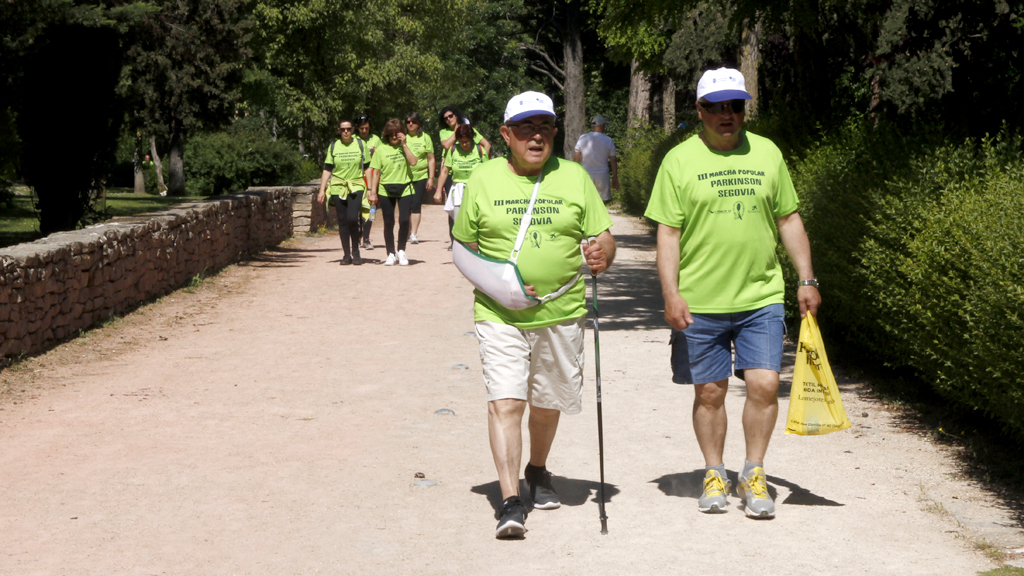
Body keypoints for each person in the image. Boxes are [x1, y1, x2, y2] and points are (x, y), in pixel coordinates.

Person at [644, 67, 821, 519]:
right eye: (718, 107)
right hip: (700, 300)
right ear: (700, 110)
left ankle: (755, 473)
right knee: (709, 393)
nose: (728, 115)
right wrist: (671, 293)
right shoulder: (679, 161)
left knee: (764, 385)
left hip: (759, 296)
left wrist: (806, 278)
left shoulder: (767, 153)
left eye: (736, 106)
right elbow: (668, 233)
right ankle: (714, 472)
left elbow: (789, 219)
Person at [453, 91, 616, 539]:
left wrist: (603, 254)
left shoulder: (575, 178)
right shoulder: (483, 180)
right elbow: (462, 247)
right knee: (507, 402)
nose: (536, 135)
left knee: (547, 406)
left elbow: (603, 236)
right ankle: (510, 501)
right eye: (525, 127)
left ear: (554, 132)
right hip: (498, 313)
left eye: (544, 125)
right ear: (506, 135)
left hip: (561, 312)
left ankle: (538, 470)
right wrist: (499, 286)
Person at [317, 118, 368, 265]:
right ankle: (347, 254)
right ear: (339, 131)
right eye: (342, 129)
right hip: (338, 186)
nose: (346, 131)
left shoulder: (360, 144)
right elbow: (327, 169)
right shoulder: (333, 147)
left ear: (353, 130)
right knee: (343, 221)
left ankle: (356, 251)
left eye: (349, 129)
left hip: (356, 185)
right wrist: (322, 190)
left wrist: (370, 189)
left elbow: (369, 167)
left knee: (353, 218)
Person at [367, 118, 418, 266]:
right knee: (388, 222)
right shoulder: (381, 149)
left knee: (403, 220)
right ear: (386, 135)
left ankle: (401, 250)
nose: (394, 137)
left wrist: (404, 144)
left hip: (405, 188)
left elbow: (413, 162)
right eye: (391, 134)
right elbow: (375, 172)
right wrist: (373, 192)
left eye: (397, 133)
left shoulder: (406, 146)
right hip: (385, 189)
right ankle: (390, 253)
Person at [434, 123, 486, 222]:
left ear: (471, 139)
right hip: (458, 189)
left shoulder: (480, 150)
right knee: (458, 221)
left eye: (466, 141)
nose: (464, 144)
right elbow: (445, 171)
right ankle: (456, 237)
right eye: (461, 142)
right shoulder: (453, 150)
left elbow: (487, 172)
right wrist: (438, 190)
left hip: (476, 189)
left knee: (475, 221)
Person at [404, 112, 436, 245]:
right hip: (404, 176)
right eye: (408, 122)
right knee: (405, 205)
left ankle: (413, 234)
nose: (411, 124)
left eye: (414, 122)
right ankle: (406, 231)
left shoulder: (425, 137)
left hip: (421, 175)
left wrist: (431, 177)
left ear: (419, 124)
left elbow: (431, 158)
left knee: (416, 204)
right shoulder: (402, 137)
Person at [572, 116, 619, 203]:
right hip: (602, 175)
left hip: (587, 174)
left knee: (587, 201)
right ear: (601, 126)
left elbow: (576, 158)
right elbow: (613, 160)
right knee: (602, 203)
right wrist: (615, 177)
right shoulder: (608, 140)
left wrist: (574, 174)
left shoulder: (582, 138)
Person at [357, 114, 383, 251]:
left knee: (371, 209)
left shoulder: (376, 140)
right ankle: (357, 237)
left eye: (366, 128)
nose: (364, 131)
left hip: (373, 179)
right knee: (356, 210)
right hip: (357, 179)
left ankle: (366, 237)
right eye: (362, 128)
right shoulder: (355, 141)